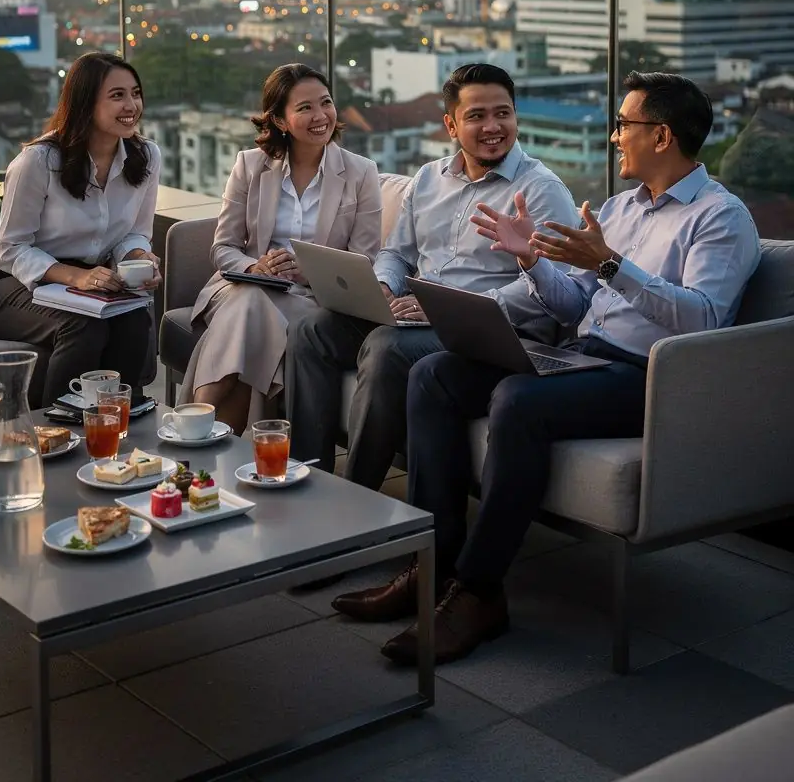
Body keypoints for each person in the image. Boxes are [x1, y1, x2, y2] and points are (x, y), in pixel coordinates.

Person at [338, 71, 761, 666]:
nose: (616, 137)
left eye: (624, 125)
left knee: (516, 399)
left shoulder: (720, 217)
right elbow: (573, 303)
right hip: (583, 355)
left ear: (661, 136)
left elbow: (703, 322)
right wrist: (532, 261)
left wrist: (612, 265)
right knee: (434, 374)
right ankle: (432, 562)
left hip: (651, 378)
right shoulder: (620, 208)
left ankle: (479, 593)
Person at [286, 62, 578, 492]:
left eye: (503, 113)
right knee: (313, 330)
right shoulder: (429, 178)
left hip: (494, 332)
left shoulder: (541, 189)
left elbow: (558, 291)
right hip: (418, 316)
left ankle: (356, 494)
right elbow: (397, 253)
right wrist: (383, 287)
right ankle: (306, 476)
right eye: (476, 116)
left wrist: (441, 309)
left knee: (386, 348)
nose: (493, 126)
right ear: (451, 125)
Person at [181, 64, 381, 435]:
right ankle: (213, 444)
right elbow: (223, 248)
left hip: (310, 299)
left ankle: (193, 426)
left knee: (251, 313)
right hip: (244, 284)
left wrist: (304, 272)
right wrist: (258, 267)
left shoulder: (361, 173)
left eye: (326, 103)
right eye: (305, 108)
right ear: (280, 120)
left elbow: (364, 263)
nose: (321, 116)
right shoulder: (250, 165)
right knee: (252, 300)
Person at [0, 52, 161, 406]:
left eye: (135, 93)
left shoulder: (146, 156)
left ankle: (118, 424)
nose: (132, 105)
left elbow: (134, 233)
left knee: (134, 320)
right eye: (117, 95)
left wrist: (141, 257)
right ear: (85, 102)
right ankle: (55, 431)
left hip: (88, 281)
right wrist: (74, 277)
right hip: (10, 284)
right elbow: (10, 249)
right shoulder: (39, 161)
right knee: (83, 327)